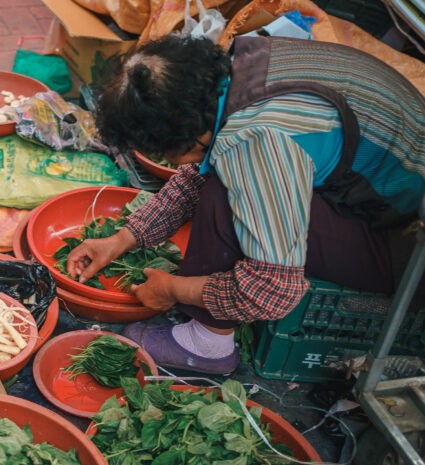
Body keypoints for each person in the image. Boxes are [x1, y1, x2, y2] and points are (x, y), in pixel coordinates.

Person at [67, 34, 425, 375]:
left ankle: (207, 345)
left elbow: (273, 290)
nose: (168, 160)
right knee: (221, 173)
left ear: (185, 134)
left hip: (407, 252)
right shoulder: (235, 74)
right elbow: (195, 172)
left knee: (225, 188)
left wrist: (172, 290)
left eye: (162, 151)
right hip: (379, 206)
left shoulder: (255, 140)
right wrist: (123, 239)